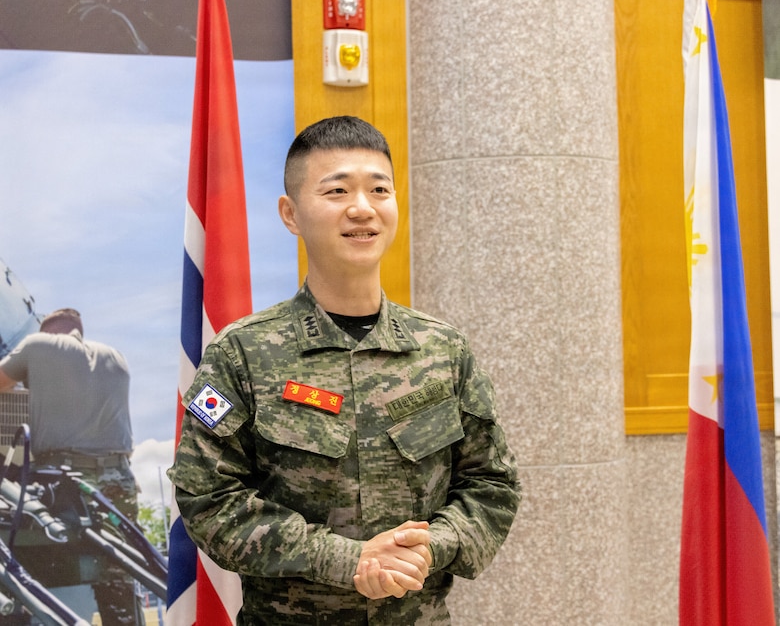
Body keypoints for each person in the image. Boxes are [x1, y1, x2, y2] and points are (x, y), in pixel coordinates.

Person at [168, 115, 521, 624]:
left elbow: (492, 484)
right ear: (291, 214)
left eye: (379, 189)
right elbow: (208, 497)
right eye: (337, 191)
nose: (362, 208)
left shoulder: (443, 350)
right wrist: (345, 560)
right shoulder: (242, 353)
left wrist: (428, 547)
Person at [0, 307, 143, 626]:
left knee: (35, 558)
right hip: (119, 480)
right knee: (119, 573)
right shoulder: (115, 356)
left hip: (65, 482)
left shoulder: (38, 345)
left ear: (47, 332)